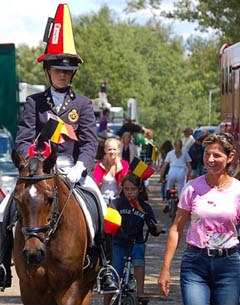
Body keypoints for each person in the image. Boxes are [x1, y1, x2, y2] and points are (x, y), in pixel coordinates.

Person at [0, 4, 118, 293]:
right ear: (48, 70)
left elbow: (90, 141)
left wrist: (81, 166)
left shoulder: (83, 105)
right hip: (39, 169)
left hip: (72, 167)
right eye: (58, 70)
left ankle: (105, 267)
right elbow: (24, 137)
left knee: (101, 209)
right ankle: (3, 265)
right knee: (4, 208)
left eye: (68, 71)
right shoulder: (35, 103)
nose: (63, 75)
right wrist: (33, 160)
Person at [158, 133, 240, 305]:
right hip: (195, 264)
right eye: (206, 153)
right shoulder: (191, 188)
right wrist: (165, 269)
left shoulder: (237, 191)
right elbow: (176, 229)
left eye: (216, 155)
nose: (210, 159)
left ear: (230, 157)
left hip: (229, 265)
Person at [104, 173, 162, 305]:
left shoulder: (144, 207)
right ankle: (106, 301)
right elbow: (109, 220)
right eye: (126, 189)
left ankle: (140, 292)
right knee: (115, 273)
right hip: (119, 242)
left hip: (137, 241)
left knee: (139, 261)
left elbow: (152, 223)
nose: (130, 192)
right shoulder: (117, 204)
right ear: (122, 189)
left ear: (140, 189)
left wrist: (156, 228)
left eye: (133, 189)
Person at [93, 138, 129, 202]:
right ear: (105, 150)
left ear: (118, 150)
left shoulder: (124, 165)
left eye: (114, 149)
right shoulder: (99, 165)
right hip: (102, 199)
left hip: (119, 200)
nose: (112, 152)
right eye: (109, 149)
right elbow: (95, 183)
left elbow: (128, 184)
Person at [157, 140, 173, 211]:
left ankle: (164, 197)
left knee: (163, 182)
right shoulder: (172, 152)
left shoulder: (162, 151)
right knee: (169, 183)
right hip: (170, 168)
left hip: (164, 167)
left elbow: (160, 160)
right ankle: (169, 196)